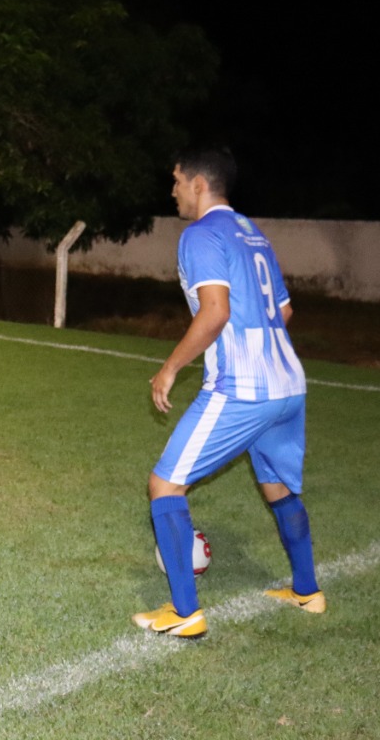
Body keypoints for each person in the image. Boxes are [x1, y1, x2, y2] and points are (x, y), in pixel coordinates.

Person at [133, 146, 322, 639]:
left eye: (176, 180)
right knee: (277, 486)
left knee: (165, 485)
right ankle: (307, 590)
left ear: (198, 184)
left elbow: (214, 311)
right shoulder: (252, 234)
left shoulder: (200, 234)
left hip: (244, 387)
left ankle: (184, 612)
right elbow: (282, 312)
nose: (171, 189)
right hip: (288, 383)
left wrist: (170, 368)